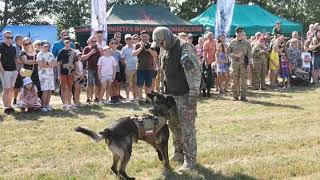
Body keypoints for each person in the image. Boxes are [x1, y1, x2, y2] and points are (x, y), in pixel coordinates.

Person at [151, 27, 201, 172]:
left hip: (185, 95)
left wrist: (193, 95)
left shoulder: (185, 48)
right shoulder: (165, 48)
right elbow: (163, 71)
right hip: (170, 96)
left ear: (167, 37)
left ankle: (190, 160)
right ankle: (178, 153)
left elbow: (194, 73)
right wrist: (160, 90)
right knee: (173, 125)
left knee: (187, 128)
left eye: (161, 43)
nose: (160, 46)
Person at [226, 27, 253, 101]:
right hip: (234, 64)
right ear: (236, 34)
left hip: (244, 64)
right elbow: (227, 52)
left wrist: (249, 64)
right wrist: (234, 55)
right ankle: (235, 95)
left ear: (243, 34)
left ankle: (243, 96)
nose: (239, 34)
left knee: (243, 80)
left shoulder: (247, 43)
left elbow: (250, 54)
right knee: (235, 80)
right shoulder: (232, 42)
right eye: (238, 33)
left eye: (241, 33)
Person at [133, 30, 158, 103]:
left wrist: (148, 49)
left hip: (149, 68)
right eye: (143, 36)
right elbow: (134, 54)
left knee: (149, 85)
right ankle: (140, 99)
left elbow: (155, 55)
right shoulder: (137, 45)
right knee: (139, 85)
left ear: (148, 37)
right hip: (140, 68)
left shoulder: (152, 44)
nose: (144, 38)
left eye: (146, 36)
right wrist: (141, 48)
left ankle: (148, 99)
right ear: (140, 37)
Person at [0, 31, 19, 114]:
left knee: (11, 89)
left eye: (11, 37)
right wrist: (1, 69)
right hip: (5, 70)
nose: (9, 39)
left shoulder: (13, 47)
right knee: (6, 89)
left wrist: (17, 69)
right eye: (7, 37)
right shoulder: (1, 46)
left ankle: (9, 105)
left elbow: (15, 58)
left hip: (13, 70)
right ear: (4, 37)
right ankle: (6, 106)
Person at [57, 36, 78, 110]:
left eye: (69, 42)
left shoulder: (74, 52)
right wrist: (58, 74)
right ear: (64, 42)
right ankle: (64, 104)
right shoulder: (61, 52)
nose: (67, 43)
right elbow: (59, 64)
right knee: (63, 88)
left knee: (69, 88)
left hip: (71, 73)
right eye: (66, 42)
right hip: (63, 72)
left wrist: (75, 72)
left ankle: (69, 103)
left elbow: (75, 63)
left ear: (70, 42)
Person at [37, 41, 57, 112]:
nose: (46, 47)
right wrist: (49, 64)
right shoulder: (39, 54)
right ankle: (43, 106)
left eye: (47, 46)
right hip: (43, 75)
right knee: (45, 90)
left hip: (50, 75)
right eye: (45, 46)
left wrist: (48, 64)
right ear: (41, 46)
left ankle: (47, 105)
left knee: (50, 90)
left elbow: (55, 64)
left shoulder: (50, 54)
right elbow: (40, 64)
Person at [81, 36, 101, 103]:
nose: (94, 42)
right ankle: (88, 98)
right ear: (89, 42)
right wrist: (90, 53)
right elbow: (83, 58)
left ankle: (96, 98)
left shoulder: (99, 49)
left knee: (97, 84)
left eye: (95, 41)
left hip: (98, 69)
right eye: (92, 41)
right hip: (89, 69)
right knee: (89, 84)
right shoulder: (87, 48)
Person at [121, 34, 138, 100]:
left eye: (129, 38)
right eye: (127, 39)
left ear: (132, 39)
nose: (128, 40)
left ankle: (135, 96)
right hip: (129, 68)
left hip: (136, 67)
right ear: (125, 40)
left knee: (135, 83)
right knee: (128, 83)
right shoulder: (124, 49)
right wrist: (126, 65)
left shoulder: (136, 46)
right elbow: (122, 59)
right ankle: (127, 97)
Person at [203, 32, 217, 97]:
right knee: (207, 77)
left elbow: (217, 51)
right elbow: (204, 54)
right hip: (208, 62)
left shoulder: (215, 42)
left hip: (215, 62)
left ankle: (209, 90)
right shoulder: (206, 43)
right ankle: (206, 92)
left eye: (212, 35)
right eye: (209, 36)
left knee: (212, 77)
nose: (211, 37)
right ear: (207, 37)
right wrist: (206, 61)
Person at [109, 38, 122, 103]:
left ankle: (116, 96)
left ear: (117, 45)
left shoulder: (119, 52)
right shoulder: (108, 52)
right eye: (112, 43)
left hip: (117, 70)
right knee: (111, 84)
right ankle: (112, 97)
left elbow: (121, 61)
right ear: (110, 44)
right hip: (109, 71)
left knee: (116, 84)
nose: (114, 44)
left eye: (115, 43)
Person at [13, 34, 24, 106]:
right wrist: (26, 61)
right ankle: (14, 101)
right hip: (17, 70)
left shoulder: (23, 47)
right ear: (17, 40)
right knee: (16, 87)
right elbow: (17, 59)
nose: (22, 41)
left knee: (24, 86)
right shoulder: (14, 47)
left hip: (24, 70)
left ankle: (22, 101)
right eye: (21, 39)